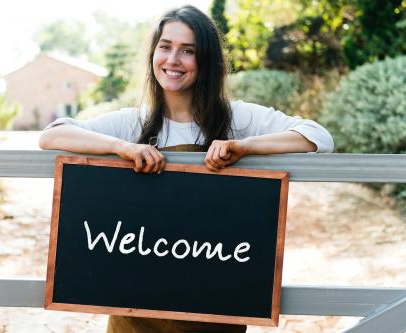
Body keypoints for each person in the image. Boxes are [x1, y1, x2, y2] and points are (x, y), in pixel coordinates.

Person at [40, 5, 333, 333]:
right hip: (137, 311)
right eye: (165, 47)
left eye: (188, 51)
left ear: (206, 61)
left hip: (213, 307)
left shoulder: (238, 119)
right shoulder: (132, 122)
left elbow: (317, 136)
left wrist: (244, 146)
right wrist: (120, 147)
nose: (173, 59)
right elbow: (52, 134)